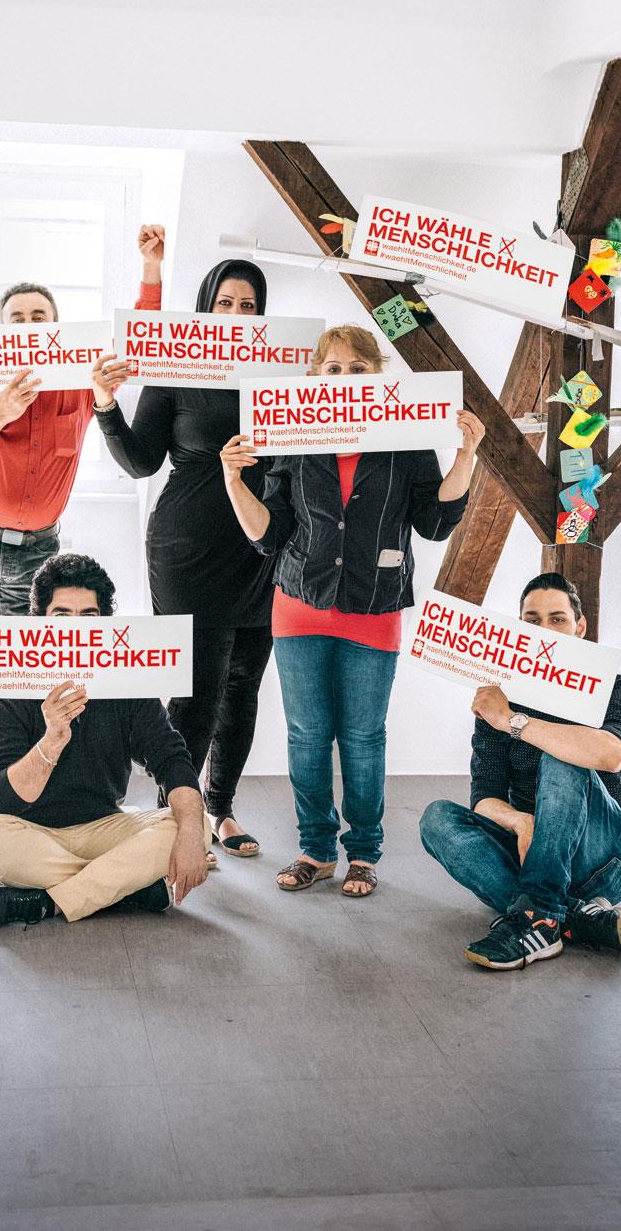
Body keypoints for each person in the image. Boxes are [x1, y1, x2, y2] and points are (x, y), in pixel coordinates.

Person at [219, 324, 483, 897]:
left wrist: (465, 455)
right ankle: (315, 849)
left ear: (378, 375)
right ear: (314, 377)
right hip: (298, 605)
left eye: (357, 369)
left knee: (363, 736)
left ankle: (363, 854)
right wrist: (233, 478)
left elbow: (434, 523)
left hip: (375, 605)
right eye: (332, 369)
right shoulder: (292, 436)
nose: (343, 379)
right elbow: (269, 535)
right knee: (308, 734)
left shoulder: (407, 438)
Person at [0, 260, 149, 819]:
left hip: (37, 550)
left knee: (25, 665)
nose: (28, 324)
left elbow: (142, 337)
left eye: (39, 316)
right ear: (3, 329)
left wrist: (149, 269)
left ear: (55, 325)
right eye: (17, 317)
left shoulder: (78, 382)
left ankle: (22, 770)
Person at [92, 233, 274, 864]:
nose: (236, 316)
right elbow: (141, 462)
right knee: (197, 686)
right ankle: (177, 822)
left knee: (245, 682)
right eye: (225, 303)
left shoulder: (282, 375)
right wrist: (106, 404)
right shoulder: (176, 369)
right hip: (188, 545)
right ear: (205, 307)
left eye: (249, 306)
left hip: (263, 543)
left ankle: (220, 810)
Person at [0, 552, 211, 926]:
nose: (73, 629)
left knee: (196, 825)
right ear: (40, 622)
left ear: (104, 625)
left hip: (103, 826)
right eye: (61, 616)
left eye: (88, 617)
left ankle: (49, 903)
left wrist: (192, 831)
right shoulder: (11, 682)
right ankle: (122, 888)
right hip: (29, 831)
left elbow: (170, 758)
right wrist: (51, 742)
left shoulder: (126, 680)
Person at [419, 571, 621, 971]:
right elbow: (484, 798)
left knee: (562, 752)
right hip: (530, 847)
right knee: (436, 818)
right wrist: (521, 823)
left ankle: (536, 915)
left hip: (602, 857)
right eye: (532, 620)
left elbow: (611, 756)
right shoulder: (499, 698)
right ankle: (571, 918)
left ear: (580, 627)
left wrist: (514, 723)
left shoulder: (616, 687)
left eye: (557, 619)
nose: (546, 630)